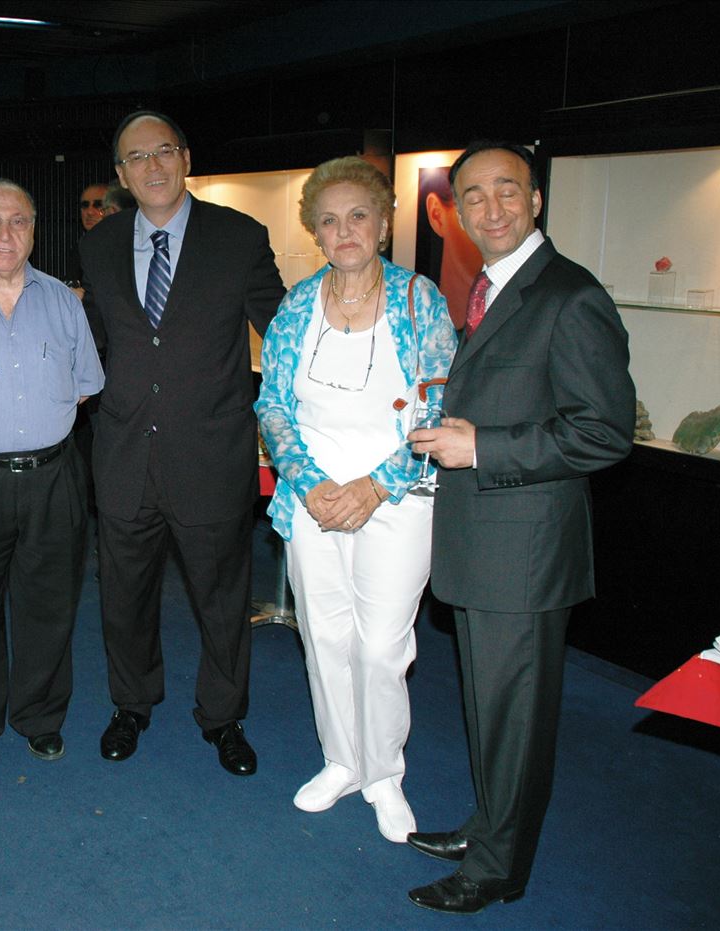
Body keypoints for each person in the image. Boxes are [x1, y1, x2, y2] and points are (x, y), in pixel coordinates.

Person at [406, 141, 635, 914]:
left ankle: (499, 866)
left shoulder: (570, 296)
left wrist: (482, 447)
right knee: (491, 711)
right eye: (473, 196)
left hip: (525, 554)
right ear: (457, 212)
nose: (491, 208)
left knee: (516, 716)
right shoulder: (496, 287)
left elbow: (604, 432)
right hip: (485, 543)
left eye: (507, 190)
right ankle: (488, 825)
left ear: (536, 200)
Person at [254, 156, 457, 843]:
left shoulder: (419, 301)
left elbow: (438, 407)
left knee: (380, 648)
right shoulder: (294, 307)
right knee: (325, 637)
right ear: (315, 231)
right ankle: (342, 761)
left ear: (383, 224)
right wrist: (309, 483)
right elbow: (273, 405)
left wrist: (374, 487)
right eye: (329, 220)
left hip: (395, 497)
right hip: (313, 497)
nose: (344, 231)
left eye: (358, 216)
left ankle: (384, 774)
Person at [79, 110, 285, 776]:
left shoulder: (239, 236)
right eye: (137, 157)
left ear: (186, 157)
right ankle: (131, 703)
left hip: (210, 456)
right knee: (123, 598)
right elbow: (93, 341)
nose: (153, 166)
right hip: (124, 456)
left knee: (222, 601)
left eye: (164, 151)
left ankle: (223, 716)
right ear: (121, 173)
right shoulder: (100, 244)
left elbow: (285, 332)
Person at [0, 179, 104, 768]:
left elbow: (85, 387)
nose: (5, 233)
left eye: (18, 221)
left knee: (50, 605)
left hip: (53, 478)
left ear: (34, 231)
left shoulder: (63, 301)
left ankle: (39, 715)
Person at [418, 171, 484, 329]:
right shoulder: (408, 311)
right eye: (474, 202)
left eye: (507, 195)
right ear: (436, 215)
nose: (493, 217)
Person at [63, 182, 111, 294]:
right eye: (85, 205)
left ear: (113, 209)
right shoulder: (80, 248)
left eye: (98, 205)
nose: (89, 212)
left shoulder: (126, 246)